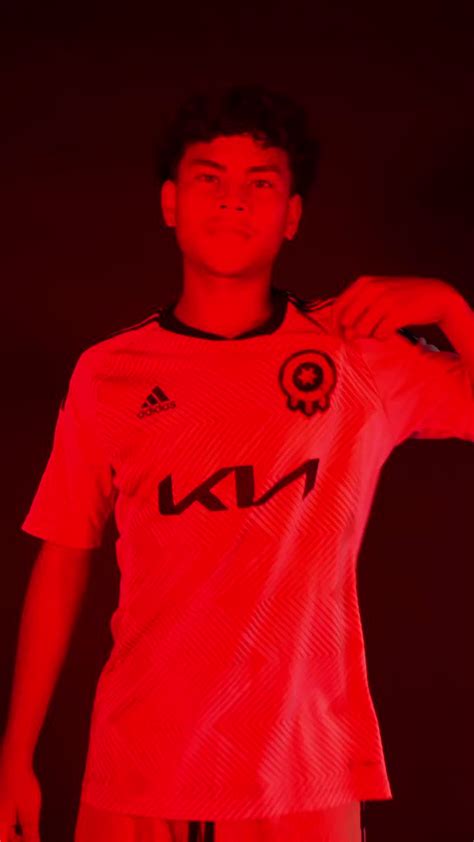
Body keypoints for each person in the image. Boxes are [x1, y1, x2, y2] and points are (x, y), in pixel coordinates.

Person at [1, 82, 473, 842]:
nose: (232, 200)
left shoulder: (355, 356)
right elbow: (62, 557)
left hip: (303, 772)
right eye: (209, 178)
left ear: (292, 215)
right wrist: (15, 754)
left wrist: (451, 308)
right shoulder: (108, 373)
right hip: (139, 766)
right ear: (170, 203)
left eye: (260, 183)